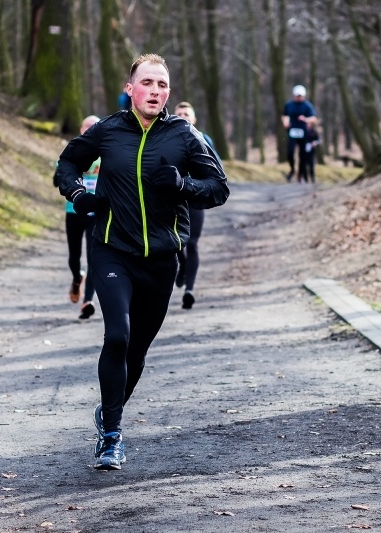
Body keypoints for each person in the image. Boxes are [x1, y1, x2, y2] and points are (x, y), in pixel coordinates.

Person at [56, 53, 229, 470]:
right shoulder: (107, 131)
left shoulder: (185, 137)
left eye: (163, 85)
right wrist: (79, 195)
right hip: (112, 249)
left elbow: (218, 188)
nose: (155, 91)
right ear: (130, 89)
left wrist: (183, 184)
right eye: (147, 83)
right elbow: (67, 164)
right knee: (117, 335)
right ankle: (112, 435)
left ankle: (108, 410)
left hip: (162, 260)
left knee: (136, 351)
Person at [53, 115, 101, 319]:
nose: (90, 129)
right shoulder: (73, 153)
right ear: (81, 129)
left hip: (96, 213)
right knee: (74, 256)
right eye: (87, 126)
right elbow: (57, 181)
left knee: (93, 258)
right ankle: (76, 278)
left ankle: (88, 301)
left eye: (94, 127)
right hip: (73, 211)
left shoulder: (106, 154)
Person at [172, 102, 219, 310]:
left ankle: (189, 290)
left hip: (195, 196)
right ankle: (182, 265)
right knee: (176, 242)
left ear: (194, 119)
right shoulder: (166, 137)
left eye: (187, 114)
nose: (183, 116)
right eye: (179, 113)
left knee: (192, 242)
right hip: (172, 198)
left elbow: (217, 169)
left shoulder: (203, 138)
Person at [281, 84, 317, 182]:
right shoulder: (289, 105)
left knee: (303, 155)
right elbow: (284, 115)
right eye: (297, 96)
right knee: (290, 152)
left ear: (304, 96)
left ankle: (300, 175)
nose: (299, 97)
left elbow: (314, 119)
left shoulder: (307, 106)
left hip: (304, 133)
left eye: (300, 96)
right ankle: (292, 169)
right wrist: (285, 122)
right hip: (292, 132)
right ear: (294, 95)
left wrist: (305, 119)